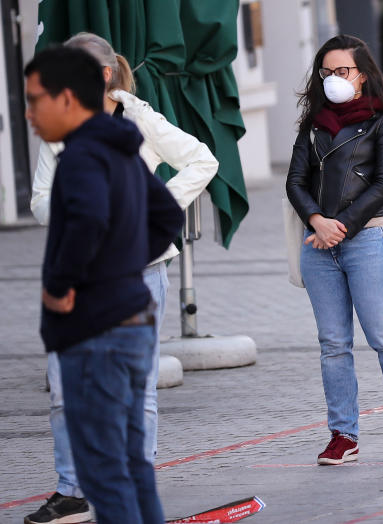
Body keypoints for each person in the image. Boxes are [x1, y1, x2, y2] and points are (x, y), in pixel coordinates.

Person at [26, 32, 217, 524]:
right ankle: (72, 491)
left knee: (135, 401)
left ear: (101, 78)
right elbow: (41, 201)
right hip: (92, 289)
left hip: (130, 283)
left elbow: (199, 163)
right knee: (68, 395)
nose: (33, 108)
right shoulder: (64, 133)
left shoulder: (130, 126)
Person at [286, 35, 383, 466]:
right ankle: (343, 435)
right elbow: (294, 181)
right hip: (317, 244)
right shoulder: (313, 126)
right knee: (333, 345)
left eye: (342, 71)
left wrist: (342, 226)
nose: (333, 79)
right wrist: (317, 221)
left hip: (366, 241)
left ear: (362, 75)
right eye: (326, 72)